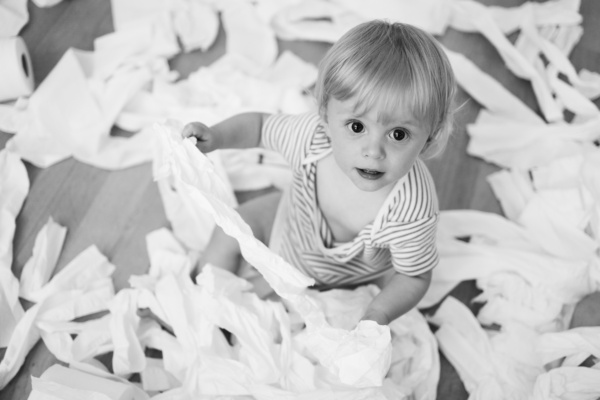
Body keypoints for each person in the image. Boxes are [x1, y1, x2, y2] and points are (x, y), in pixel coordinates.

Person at [182, 20, 456, 326]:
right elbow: (259, 128)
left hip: (343, 278)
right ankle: (196, 298)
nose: (373, 150)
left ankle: (230, 319)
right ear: (325, 116)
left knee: (266, 310)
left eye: (399, 134)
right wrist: (215, 136)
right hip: (289, 222)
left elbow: (414, 276)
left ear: (429, 137)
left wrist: (378, 314)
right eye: (356, 127)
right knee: (228, 230)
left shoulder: (412, 209)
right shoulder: (312, 138)